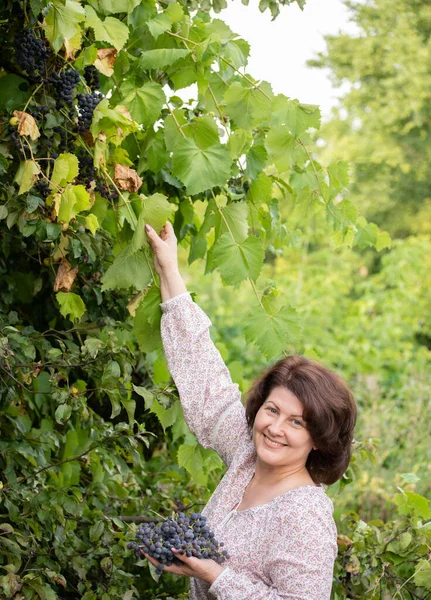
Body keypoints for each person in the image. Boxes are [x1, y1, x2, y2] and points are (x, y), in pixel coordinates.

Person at [144, 221, 357, 600]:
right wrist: (169, 270)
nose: (276, 428)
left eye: (297, 422)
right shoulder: (248, 458)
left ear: (319, 441)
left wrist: (215, 576)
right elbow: (205, 379)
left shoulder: (303, 517)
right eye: (272, 410)